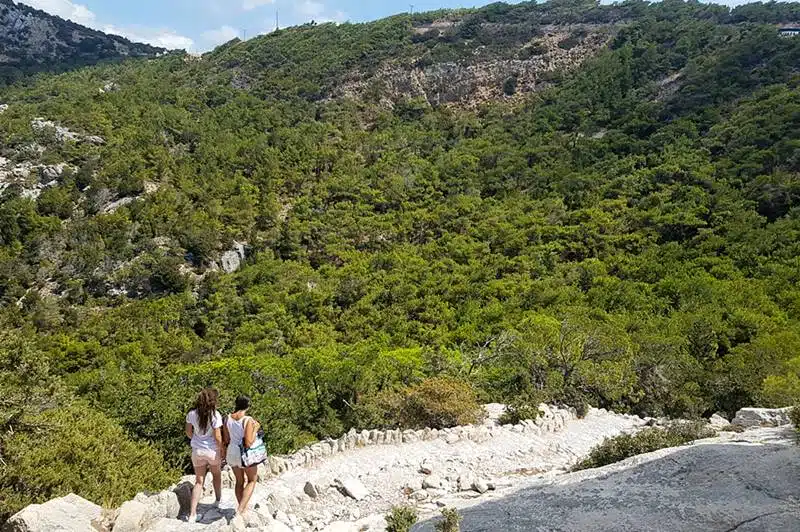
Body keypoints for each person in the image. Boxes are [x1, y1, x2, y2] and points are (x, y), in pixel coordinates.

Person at [185, 387, 223, 522]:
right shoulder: (215, 415)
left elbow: (188, 432)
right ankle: (217, 501)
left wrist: (196, 438)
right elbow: (218, 437)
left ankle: (192, 514)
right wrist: (222, 450)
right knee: (216, 475)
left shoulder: (191, 414)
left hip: (197, 450)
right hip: (212, 450)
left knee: (199, 481)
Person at [222, 396, 261, 516]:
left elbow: (227, 439)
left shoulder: (226, 418)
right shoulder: (248, 420)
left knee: (239, 481)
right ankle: (240, 510)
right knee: (252, 480)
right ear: (248, 406)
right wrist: (256, 429)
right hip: (244, 453)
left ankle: (242, 508)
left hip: (232, 451)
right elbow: (248, 442)